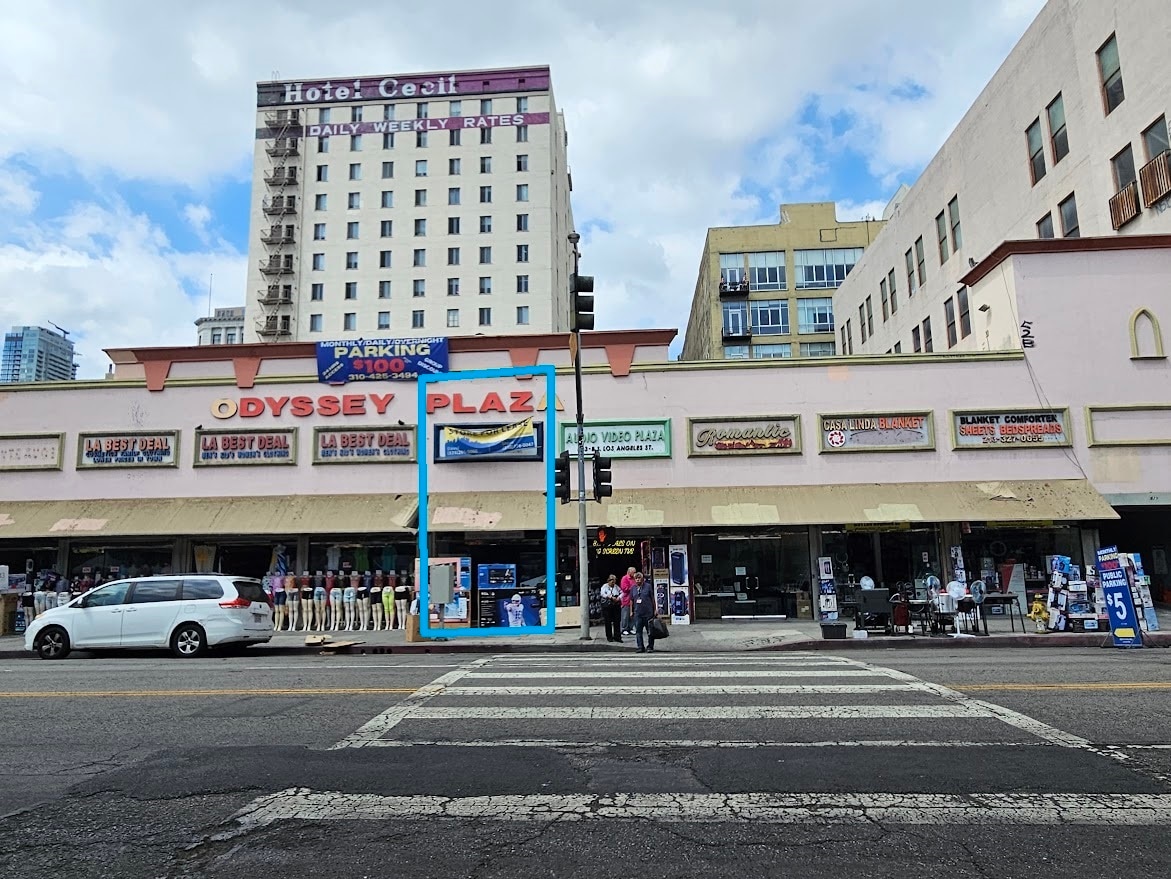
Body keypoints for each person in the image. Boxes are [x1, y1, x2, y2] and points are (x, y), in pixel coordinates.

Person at [631, 572, 658, 653]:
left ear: (642, 579)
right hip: (638, 613)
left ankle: (650, 646)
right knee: (638, 631)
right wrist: (631, 611)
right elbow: (631, 600)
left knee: (650, 631)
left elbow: (652, 598)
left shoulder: (648, 586)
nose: (638, 580)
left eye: (639, 578)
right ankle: (640, 646)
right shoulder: (633, 588)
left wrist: (655, 609)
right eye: (636, 578)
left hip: (648, 612)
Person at [600, 574, 623, 643]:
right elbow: (602, 593)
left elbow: (622, 593)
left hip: (615, 605)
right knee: (608, 622)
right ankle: (609, 637)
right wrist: (610, 596)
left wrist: (619, 597)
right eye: (611, 580)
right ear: (608, 581)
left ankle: (617, 636)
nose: (613, 582)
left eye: (614, 580)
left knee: (617, 622)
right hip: (607, 606)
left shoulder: (616, 587)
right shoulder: (605, 586)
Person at [619, 567, 636, 635]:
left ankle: (630, 628)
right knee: (625, 615)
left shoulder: (634, 578)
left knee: (632, 615)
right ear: (629, 572)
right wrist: (632, 587)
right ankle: (624, 628)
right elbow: (624, 588)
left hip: (634, 599)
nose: (634, 574)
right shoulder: (625, 578)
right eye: (633, 572)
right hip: (626, 599)